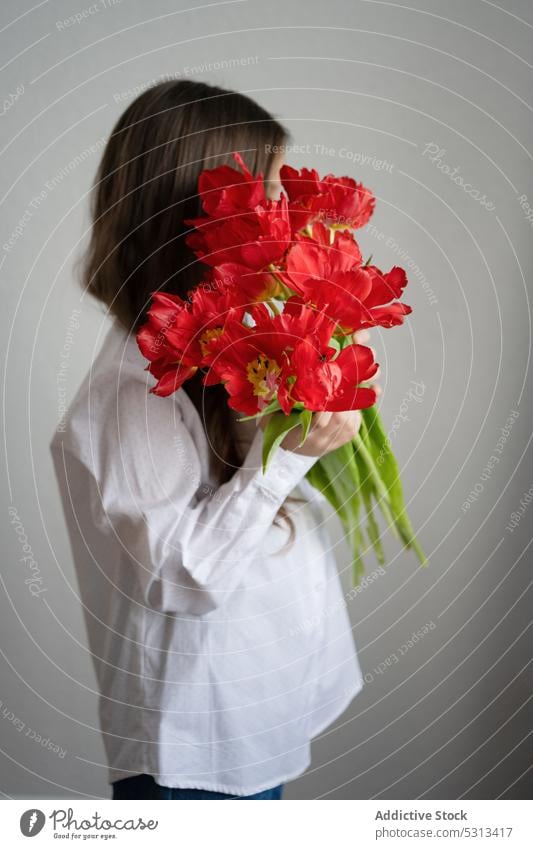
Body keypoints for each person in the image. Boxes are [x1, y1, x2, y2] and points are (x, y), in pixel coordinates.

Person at [50, 79, 377, 800]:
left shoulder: (219, 352)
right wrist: (288, 454)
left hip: (246, 723)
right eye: (263, 195)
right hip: (195, 754)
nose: (283, 217)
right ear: (190, 216)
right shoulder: (130, 390)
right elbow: (178, 576)